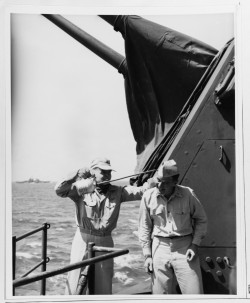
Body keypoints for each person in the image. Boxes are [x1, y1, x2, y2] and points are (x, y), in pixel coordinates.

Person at [55, 157, 153, 295]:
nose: (107, 175)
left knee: (103, 283)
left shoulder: (118, 192)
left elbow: (141, 191)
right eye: (103, 172)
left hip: (105, 240)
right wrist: (77, 173)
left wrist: (153, 182)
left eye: (109, 172)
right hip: (83, 239)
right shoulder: (81, 189)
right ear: (93, 172)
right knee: (75, 279)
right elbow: (60, 190)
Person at [138, 159, 207, 294]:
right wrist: (147, 255)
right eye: (158, 180)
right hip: (159, 247)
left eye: (166, 182)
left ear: (175, 182)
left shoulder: (188, 194)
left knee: (195, 294)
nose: (160, 185)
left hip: (185, 247)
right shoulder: (148, 196)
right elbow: (144, 227)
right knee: (160, 296)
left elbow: (201, 220)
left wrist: (195, 245)